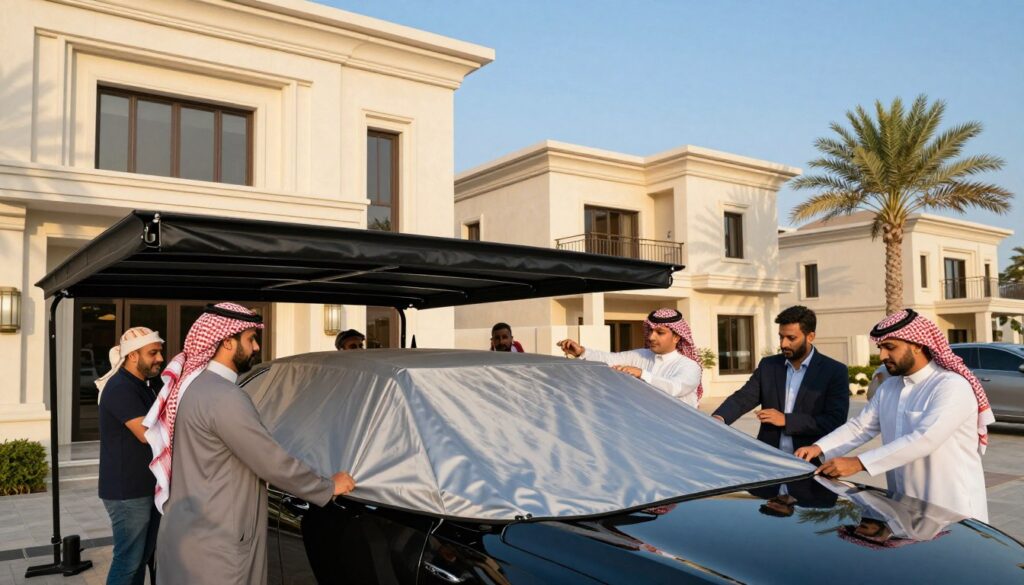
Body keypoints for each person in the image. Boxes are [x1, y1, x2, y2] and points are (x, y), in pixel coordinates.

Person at [144, 303, 356, 585]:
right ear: (227, 342)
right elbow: (271, 461)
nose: (256, 347)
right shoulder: (223, 396)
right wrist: (327, 487)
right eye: (251, 339)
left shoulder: (192, 388)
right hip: (218, 544)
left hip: (188, 531)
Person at [795, 309, 993, 521]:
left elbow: (925, 438)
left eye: (890, 347)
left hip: (952, 509)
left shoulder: (951, 386)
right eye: (880, 348)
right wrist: (819, 448)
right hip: (903, 507)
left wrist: (858, 463)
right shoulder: (890, 387)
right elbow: (860, 427)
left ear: (917, 345)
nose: (882, 356)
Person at [712, 306, 849, 455]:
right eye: (781, 337)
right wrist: (719, 418)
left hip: (810, 461)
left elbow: (834, 420)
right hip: (769, 459)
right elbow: (743, 398)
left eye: (791, 338)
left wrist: (786, 420)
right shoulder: (768, 366)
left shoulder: (834, 371)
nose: (783, 344)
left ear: (810, 337)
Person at [96, 327, 164, 585]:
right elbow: (146, 434)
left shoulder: (145, 384)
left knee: (140, 559)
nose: (160, 358)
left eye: (159, 352)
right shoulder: (120, 388)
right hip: (127, 492)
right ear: (133, 355)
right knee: (128, 562)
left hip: (146, 487)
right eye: (153, 353)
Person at [556, 308, 703, 407]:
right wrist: (581, 352)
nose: (651, 337)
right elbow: (609, 359)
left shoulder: (689, 366)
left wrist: (641, 374)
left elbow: (676, 388)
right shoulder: (641, 355)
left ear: (677, 337)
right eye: (651, 331)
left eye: (660, 332)